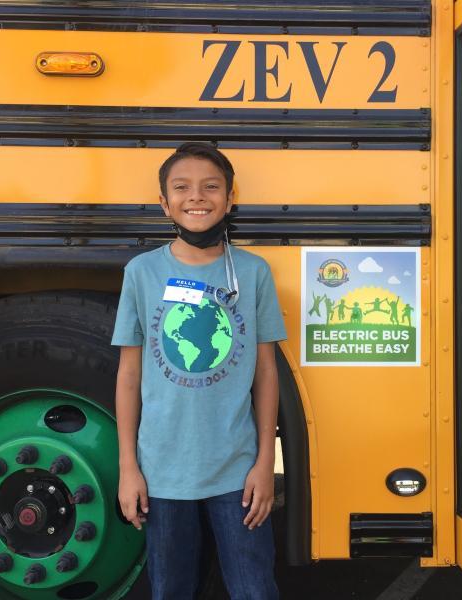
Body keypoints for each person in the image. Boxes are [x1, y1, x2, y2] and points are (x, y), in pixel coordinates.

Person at [111, 142, 286, 600]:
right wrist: (129, 468)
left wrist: (265, 463)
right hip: (161, 473)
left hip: (237, 471)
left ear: (230, 198)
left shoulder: (252, 273)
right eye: (182, 188)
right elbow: (129, 377)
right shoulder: (141, 272)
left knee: (255, 589)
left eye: (211, 187)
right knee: (170, 590)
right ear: (164, 202)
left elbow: (266, 373)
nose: (197, 197)